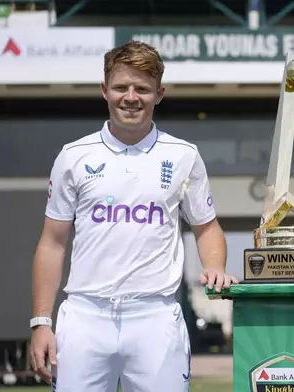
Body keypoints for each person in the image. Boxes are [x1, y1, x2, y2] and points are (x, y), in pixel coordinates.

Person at [28, 41, 238, 392]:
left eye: (142, 88)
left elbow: (206, 227)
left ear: (159, 94)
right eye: (121, 87)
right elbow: (52, 243)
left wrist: (215, 265)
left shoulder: (184, 155)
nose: (131, 97)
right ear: (104, 91)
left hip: (155, 317)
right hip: (84, 316)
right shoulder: (73, 156)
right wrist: (40, 321)